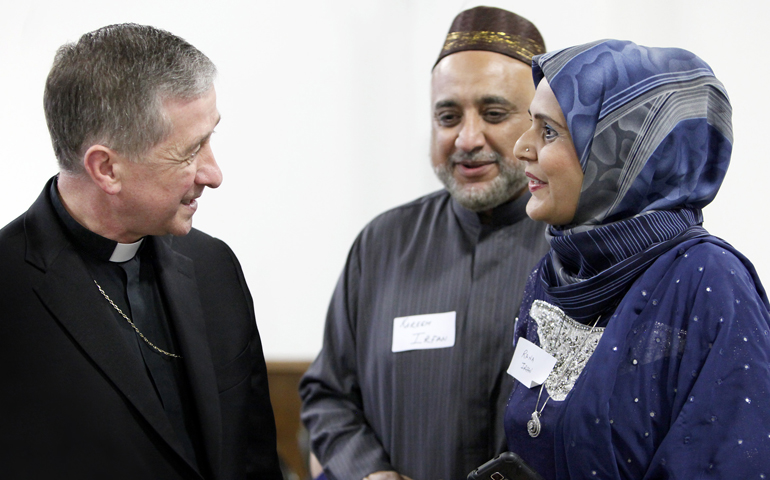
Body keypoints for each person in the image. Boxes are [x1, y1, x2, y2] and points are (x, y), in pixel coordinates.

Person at [0, 24, 282, 480]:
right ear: (106, 168)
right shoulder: (9, 292)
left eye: (210, 138)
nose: (213, 173)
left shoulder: (214, 267)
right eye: (189, 152)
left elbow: (254, 458)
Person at [299, 7, 549, 480]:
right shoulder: (382, 245)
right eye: (448, 116)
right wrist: (370, 473)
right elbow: (327, 396)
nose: (467, 138)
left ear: (539, 124)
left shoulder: (579, 253)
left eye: (494, 113)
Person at [505, 39, 770, 478]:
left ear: (619, 153)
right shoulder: (557, 273)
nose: (520, 147)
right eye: (530, 124)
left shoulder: (709, 281)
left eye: (548, 131)